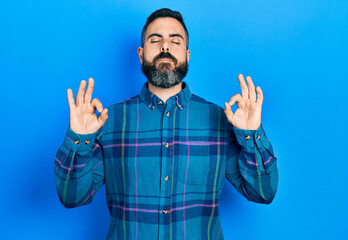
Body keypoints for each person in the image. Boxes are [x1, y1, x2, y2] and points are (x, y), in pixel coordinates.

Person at [54, 8, 278, 240]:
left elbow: (262, 192)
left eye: (175, 40)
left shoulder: (219, 120)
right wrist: (78, 139)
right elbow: (72, 197)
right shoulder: (109, 120)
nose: (165, 47)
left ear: (187, 55)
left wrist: (251, 135)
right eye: (155, 40)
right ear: (141, 54)